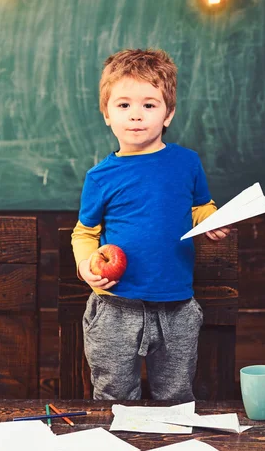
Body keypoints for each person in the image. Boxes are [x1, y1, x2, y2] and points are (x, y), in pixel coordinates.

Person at [71, 48, 230, 400]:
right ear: (107, 114)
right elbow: (85, 232)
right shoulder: (100, 177)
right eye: (123, 105)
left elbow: (200, 207)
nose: (136, 116)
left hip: (177, 306)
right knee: (113, 397)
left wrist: (212, 221)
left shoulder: (186, 163)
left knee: (175, 396)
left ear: (168, 114)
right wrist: (86, 266)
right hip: (115, 307)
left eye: (149, 104)